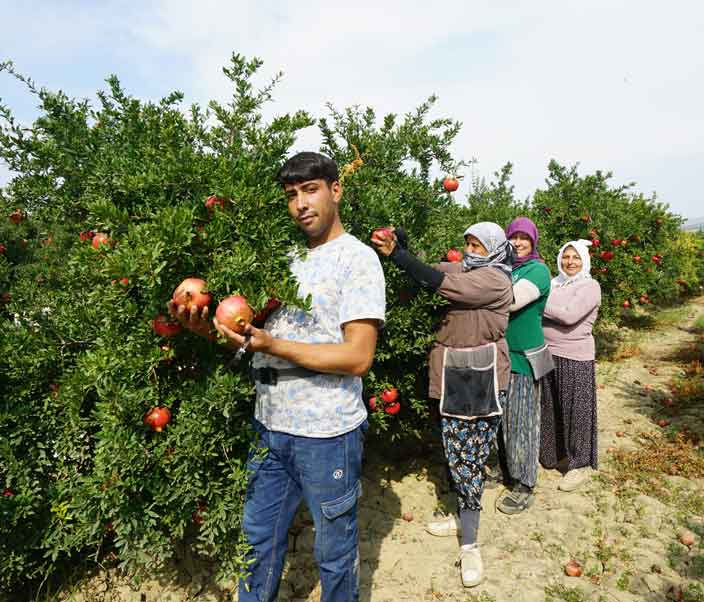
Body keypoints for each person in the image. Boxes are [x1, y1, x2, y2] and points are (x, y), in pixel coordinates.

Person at [170, 152, 386, 602]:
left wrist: (271, 345)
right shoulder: (283, 259)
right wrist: (209, 330)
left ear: (335, 190)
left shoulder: (359, 260)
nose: (301, 204)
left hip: (327, 434)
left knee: (333, 549)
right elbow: (252, 338)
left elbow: (358, 357)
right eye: (291, 195)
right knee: (258, 542)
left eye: (310, 190)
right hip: (270, 428)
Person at [370, 222, 513, 589]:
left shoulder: (495, 281)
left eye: (478, 245)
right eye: (467, 243)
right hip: (452, 377)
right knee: (454, 450)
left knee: (471, 457)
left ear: (495, 249)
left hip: (481, 379)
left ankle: (470, 543)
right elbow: (430, 272)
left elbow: (442, 283)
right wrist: (403, 243)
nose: (470, 250)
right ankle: (463, 512)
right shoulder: (464, 268)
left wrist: (398, 255)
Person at [496, 217, 551, 514]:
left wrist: (482, 285)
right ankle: (502, 469)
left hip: (524, 357)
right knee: (498, 418)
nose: (517, 243)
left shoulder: (537, 270)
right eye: (513, 237)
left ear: (533, 242)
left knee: (521, 422)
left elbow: (512, 301)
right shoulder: (505, 269)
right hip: (500, 354)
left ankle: (524, 484)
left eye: (523, 238)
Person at [540, 239, 602, 492]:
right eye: (566, 257)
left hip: (575, 356)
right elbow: (559, 312)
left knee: (576, 411)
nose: (570, 262)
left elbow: (568, 315)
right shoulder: (554, 284)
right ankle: (553, 456)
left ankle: (580, 465)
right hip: (547, 353)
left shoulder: (590, 286)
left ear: (584, 261)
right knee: (551, 408)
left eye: (576, 258)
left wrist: (536, 301)